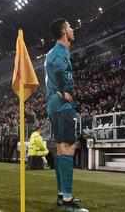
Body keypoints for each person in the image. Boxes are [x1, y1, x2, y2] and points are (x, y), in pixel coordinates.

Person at [45, 18, 88, 211]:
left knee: (62, 148)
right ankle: (69, 200)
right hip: (62, 105)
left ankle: (63, 195)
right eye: (70, 27)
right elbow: (58, 69)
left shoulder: (55, 52)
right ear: (63, 31)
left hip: (55, 105)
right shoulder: (60, 51)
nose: (72, 29)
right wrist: (63, 90)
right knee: (68, 148)